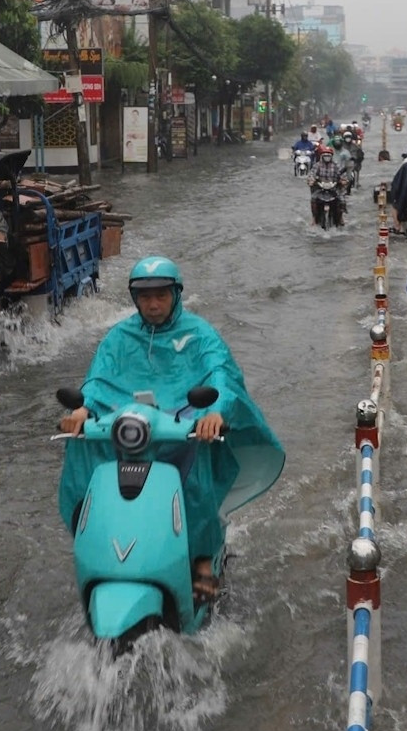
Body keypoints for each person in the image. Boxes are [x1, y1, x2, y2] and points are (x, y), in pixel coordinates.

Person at [57, 256, 284, 603]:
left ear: (175, 295)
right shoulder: (120, 336)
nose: (153, 304)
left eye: (161, 295)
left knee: (195, 472)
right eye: (145, 297)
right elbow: (100, 380)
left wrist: (214, 413)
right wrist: (83, 409)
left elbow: (221, 374)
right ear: (134, 299)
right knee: (80, 448)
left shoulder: (199, 333)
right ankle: (97, 539)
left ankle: (203, 561)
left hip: (184, 430)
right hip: (133, 430)